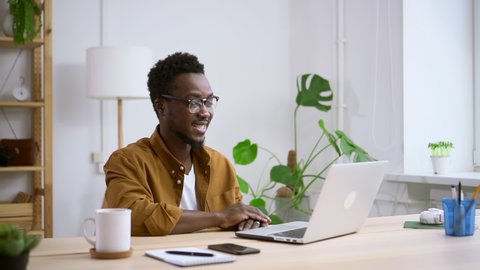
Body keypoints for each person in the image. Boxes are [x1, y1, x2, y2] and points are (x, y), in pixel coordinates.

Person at [103, 52, 271, 236]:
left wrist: (248, 221)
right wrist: (218, 217)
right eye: (194, 102)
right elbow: (132, 217)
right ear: (161, 107)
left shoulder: (220, 164)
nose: (205, 112)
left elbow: (235, 216)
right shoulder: (127, 161)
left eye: (208, 101)